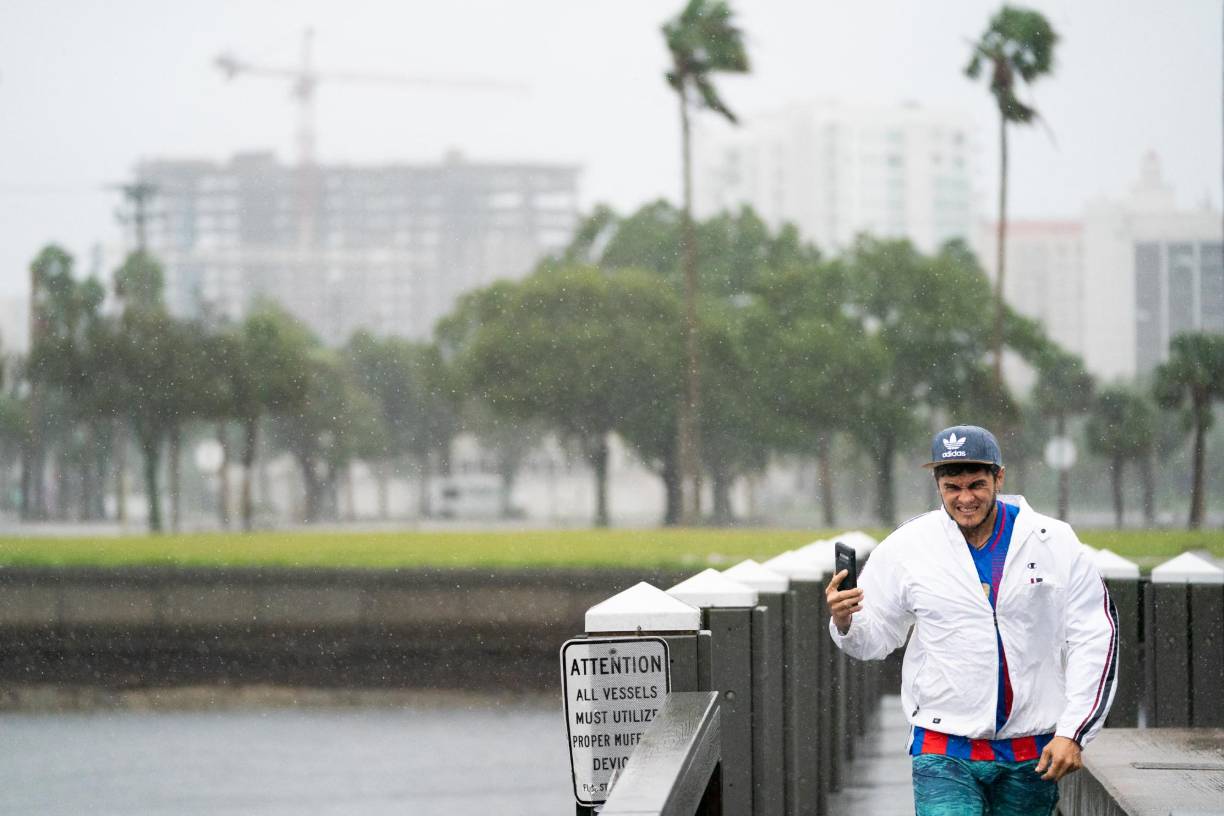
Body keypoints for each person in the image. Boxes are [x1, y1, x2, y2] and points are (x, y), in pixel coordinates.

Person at [826, 424, 1117, 816]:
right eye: (952, 487)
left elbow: (1095, 638)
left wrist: (1074, 732)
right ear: (937, 485)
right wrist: (846, 622)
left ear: (999, 477)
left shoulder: (1054, 541)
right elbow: (875, 638)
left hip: (1032, 751)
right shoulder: (908, 546)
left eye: (976, 485)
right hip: (942, 747)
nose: (965, 499)